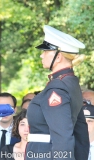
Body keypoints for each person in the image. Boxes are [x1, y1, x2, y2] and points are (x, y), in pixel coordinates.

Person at [26, 25, 89, 160]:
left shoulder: (57, 88)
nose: (41, 54)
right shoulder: (70, 83)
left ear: (58, 56)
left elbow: (62, 137)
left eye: (46, 51)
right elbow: (81, 133)